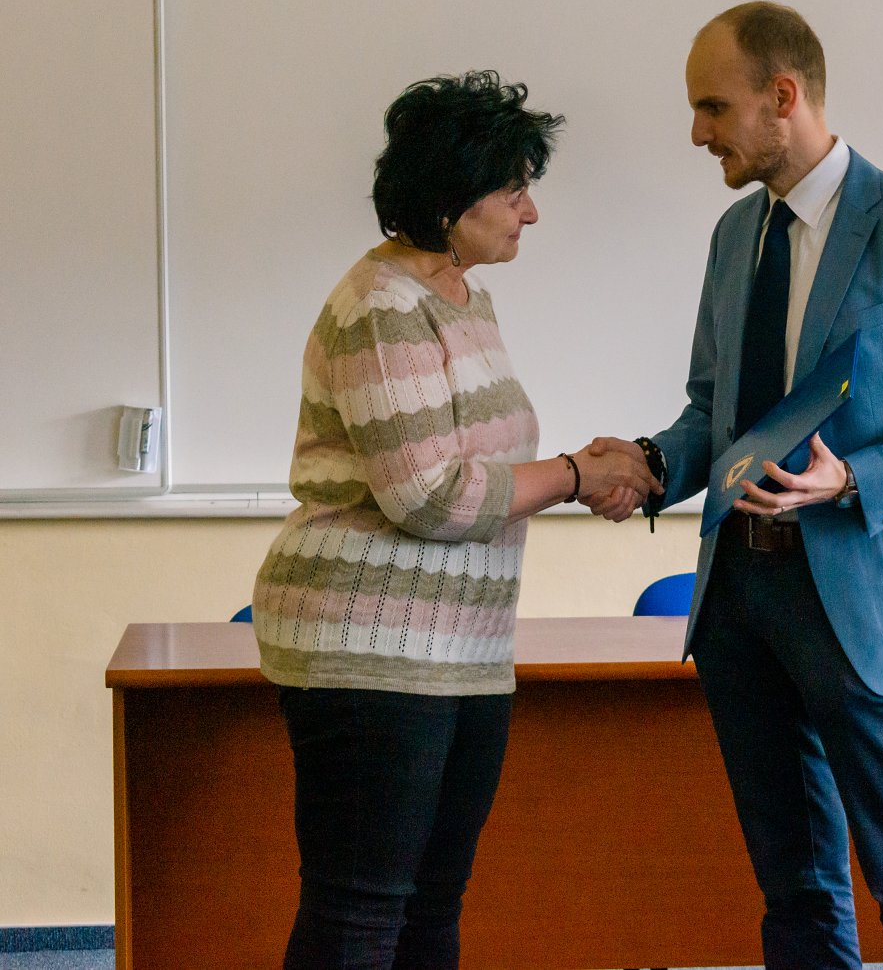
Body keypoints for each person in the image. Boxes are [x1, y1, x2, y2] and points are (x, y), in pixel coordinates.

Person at [585, 1, 883, 968]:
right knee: (795, 885)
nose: (697, 133)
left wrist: (852, 476)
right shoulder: (735, 234)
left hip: (862, 597)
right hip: (739, 597)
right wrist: (651, 466)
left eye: (712, 107)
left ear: (784, 97)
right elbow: (715, 413)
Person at [251, 70, 660, 970]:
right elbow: (429, 495)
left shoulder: (466, 301)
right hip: (370, 649)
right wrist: (574, 474)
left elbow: (479, 469)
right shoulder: (382, 308)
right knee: (360, 913)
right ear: (450, 197)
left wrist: (588, 471)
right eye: (514, 190)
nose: (531, 211)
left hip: (461, 651)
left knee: (432, 905)